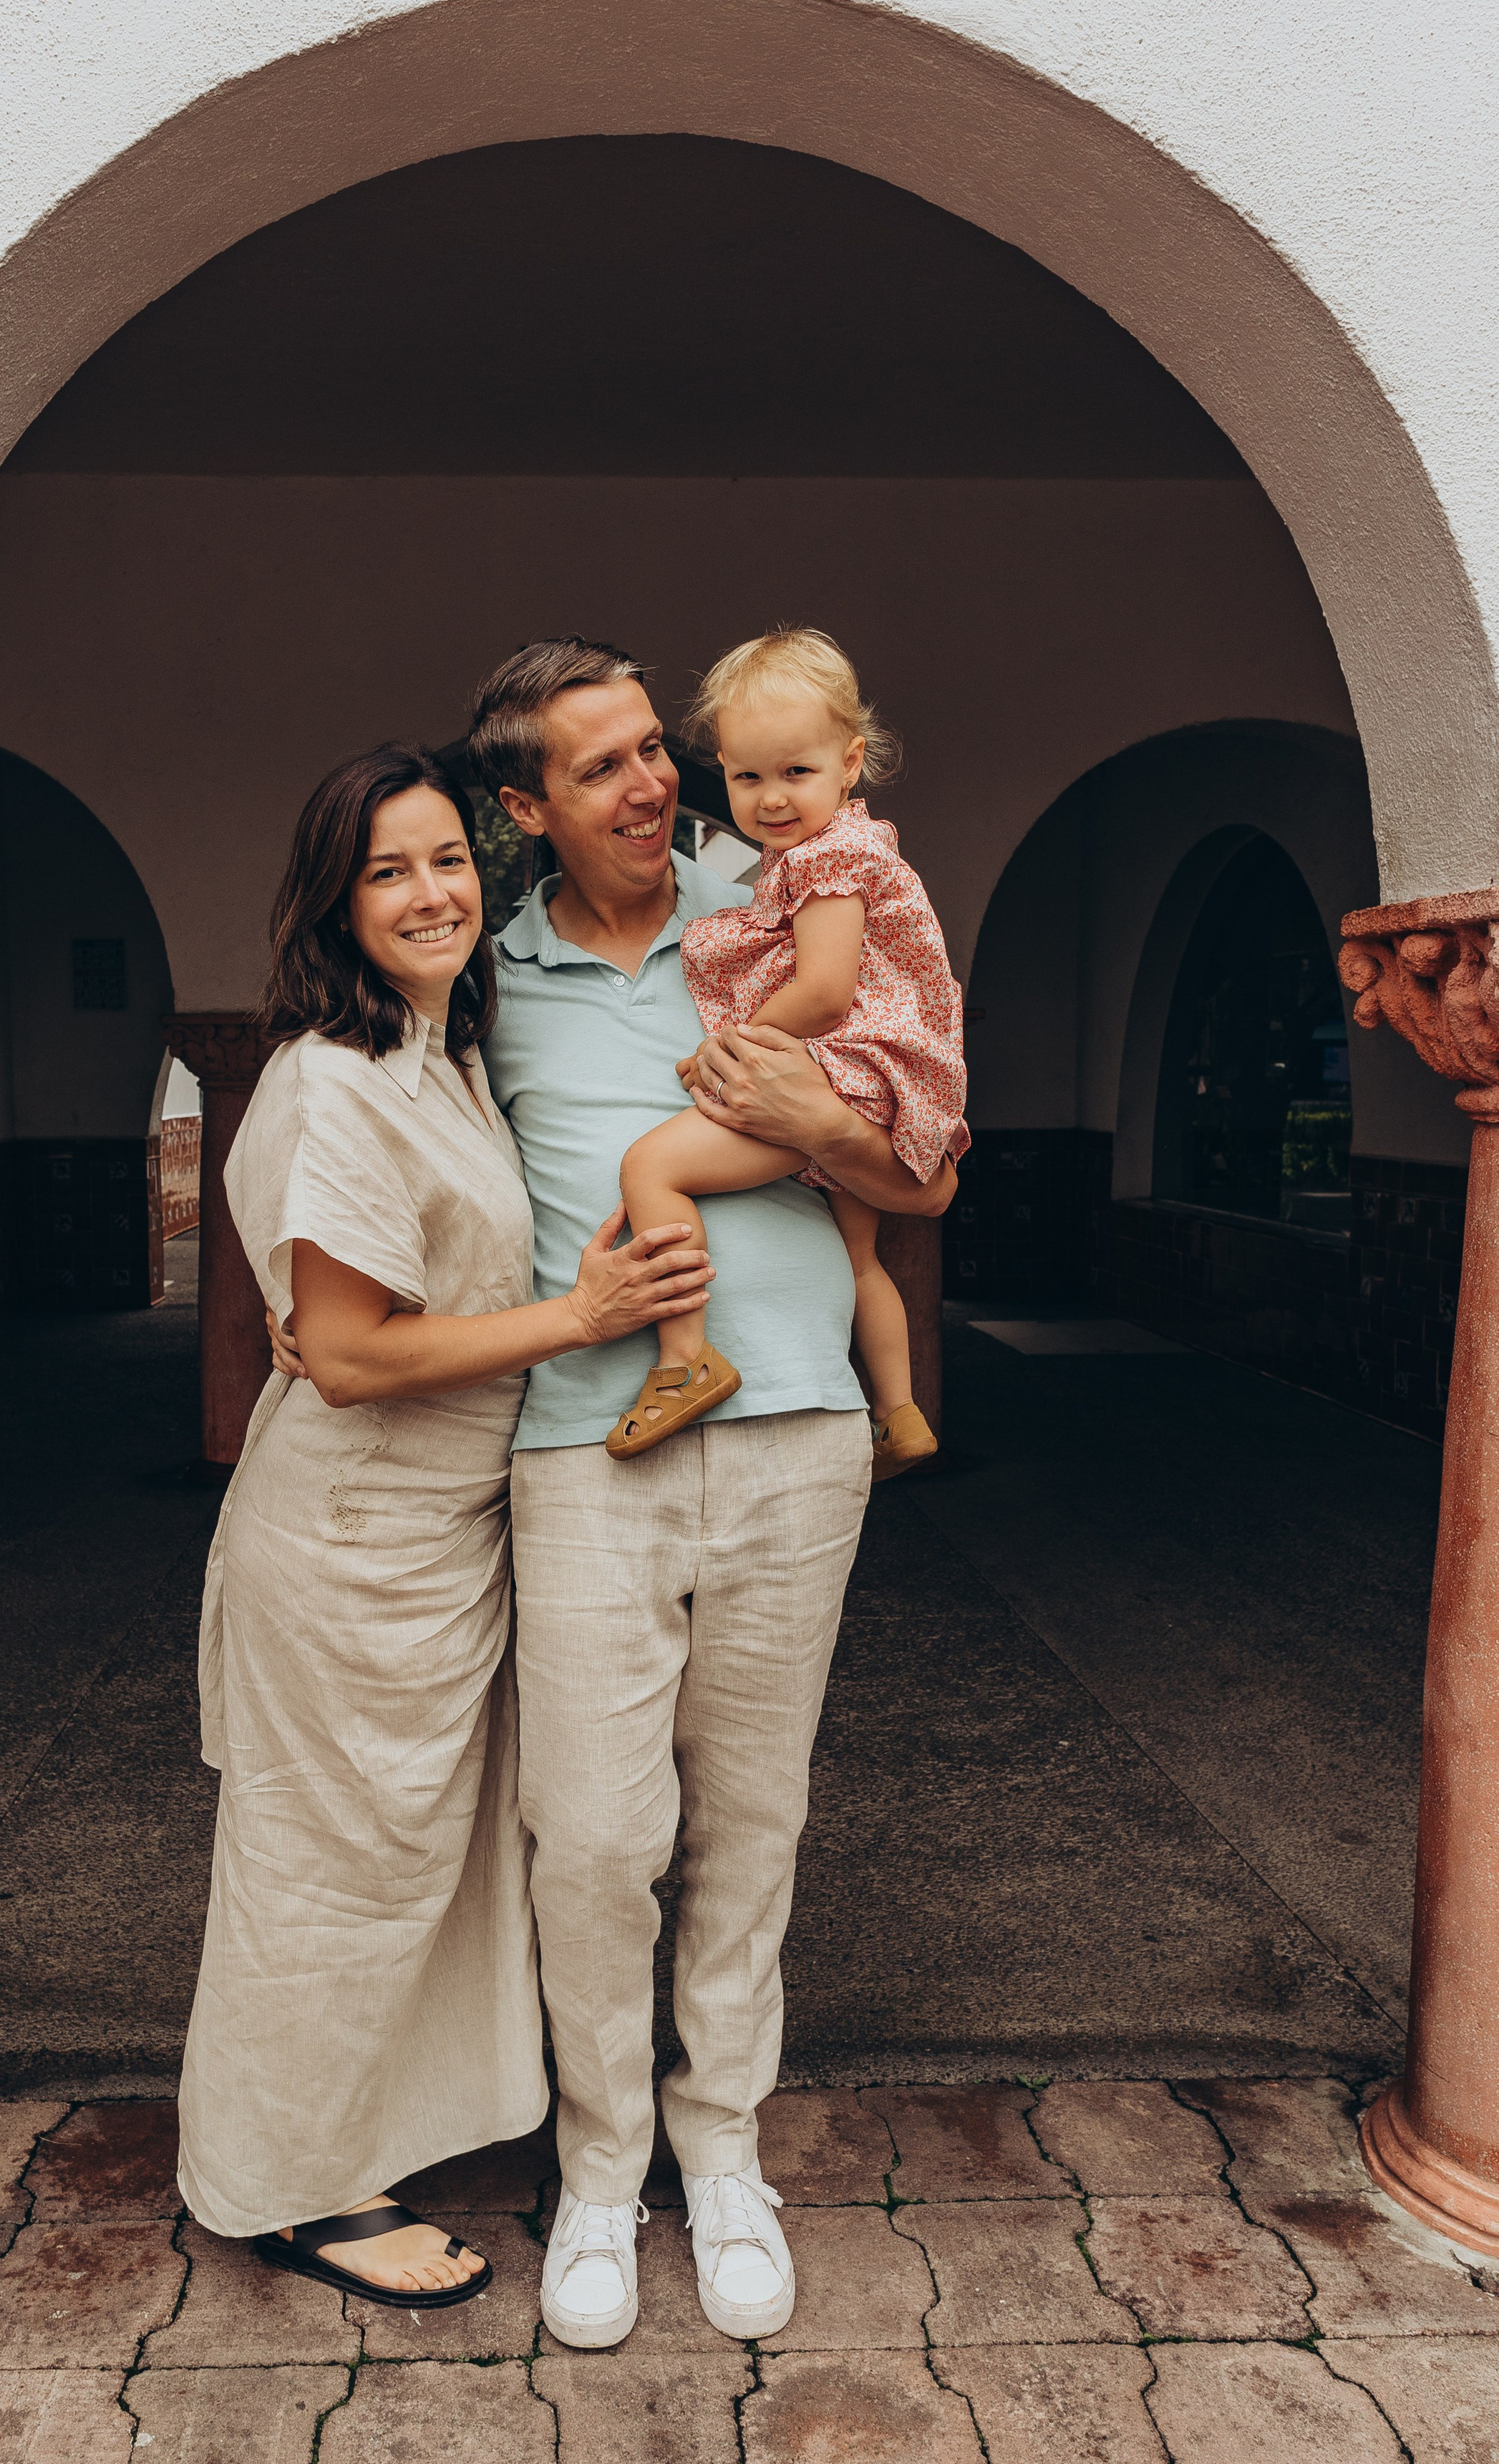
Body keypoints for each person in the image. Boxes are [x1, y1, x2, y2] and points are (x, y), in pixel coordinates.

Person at [176, 741, 712, 2308]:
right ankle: (296, 2187)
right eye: (387, 869)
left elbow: (359, 1309)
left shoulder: (436, 1053)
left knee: (411, 1866)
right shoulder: (330, 1078)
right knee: (326, 1869)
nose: (429, 893)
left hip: (438, 1536)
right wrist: (583, 1314)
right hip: (348, 1545)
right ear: (332, 904)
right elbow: (344, 1360)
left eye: (448, 861)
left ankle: (374, 2128)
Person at [472, 639, 957, 2347]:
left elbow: (926, 1165)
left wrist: (805, 1115)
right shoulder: (486, 973)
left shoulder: (764, 912)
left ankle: (719, 2144)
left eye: (648, 750)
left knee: (750, 1819)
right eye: (597, 764)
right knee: (596, 1835)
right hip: (581, 1448)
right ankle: (599, 2166)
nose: (648, 782)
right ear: (524, 808)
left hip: (799, 1432)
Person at [612, 627, 969, 1479]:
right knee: (857, 1258)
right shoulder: (828, 850)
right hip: (871, 1081)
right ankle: (900, 1412)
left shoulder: (828, 857)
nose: (771, 798)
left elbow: (824, 991)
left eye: (796, 772)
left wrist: (725, 1048)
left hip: (843, 1073)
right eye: (747, 776)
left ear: (850, 764)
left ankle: (683, 1360)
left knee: (651, 1169)